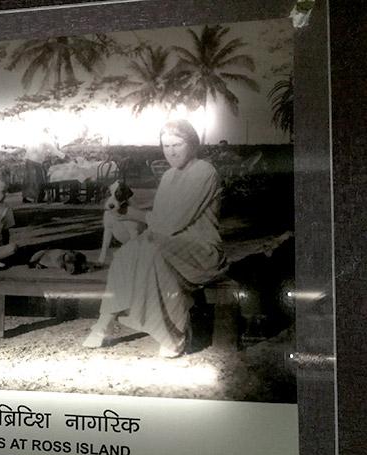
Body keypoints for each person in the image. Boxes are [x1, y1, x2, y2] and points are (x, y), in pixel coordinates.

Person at [83, 119, 227, 357]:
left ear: (192, 144)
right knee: (129, 250)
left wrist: (133, 213)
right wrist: (132, 226)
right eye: (166, 145)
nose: (171, 151)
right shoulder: (169, 176)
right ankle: (104, 323)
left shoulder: (204, 172)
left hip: (202, 251)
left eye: (177, 144)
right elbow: (159, 222)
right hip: (168, 245)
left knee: (151, 252)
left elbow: (172, 223)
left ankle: (174, 334)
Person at [21, 129, 65, 203]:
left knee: (29, 179)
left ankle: (26, 197)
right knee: (39, 180)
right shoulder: (46, 140)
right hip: (36, 161)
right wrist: (63, 156)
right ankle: (39, 197)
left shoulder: (36, 138)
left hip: (29, 159)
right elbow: (53, 150)